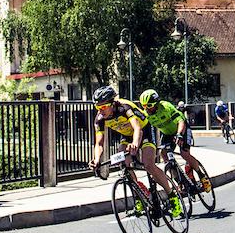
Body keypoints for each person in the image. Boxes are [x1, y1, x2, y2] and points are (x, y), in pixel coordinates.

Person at [88, 85, 181, 214]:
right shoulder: (99, 120)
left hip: (144, 130)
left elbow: (137, 128)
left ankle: (171, 195)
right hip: (126, 135)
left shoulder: (124, 107)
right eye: (98, 107)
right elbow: (99, 143)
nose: (101, 110)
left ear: (112, 103)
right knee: (123, 161)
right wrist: (97, 159)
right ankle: (139, 195)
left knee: (149, 164)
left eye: (103, 106)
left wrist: (135, 144)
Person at [138, 89, 210, 193]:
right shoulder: (147, 115)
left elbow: (180, 121)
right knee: (165, 154)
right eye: (144, 106)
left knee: (184, 153)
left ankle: (202, 176)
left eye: (149, 105)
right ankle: (180, 182)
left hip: (181, 129)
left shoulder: (166, 107)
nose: (146, 109)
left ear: (156, 103)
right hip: (167, 134)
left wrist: (179, 135)